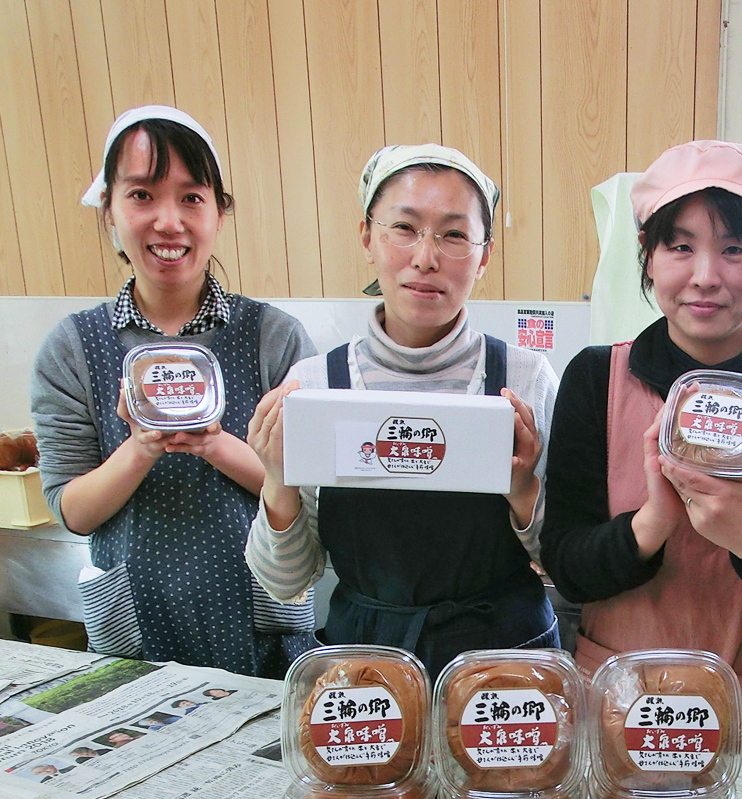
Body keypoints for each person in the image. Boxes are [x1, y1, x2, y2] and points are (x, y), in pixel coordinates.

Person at [542, 140, 742, 763]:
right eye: (680, 246)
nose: (705, 276)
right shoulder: (594, 379)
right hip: (620, 708)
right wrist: (650, 527)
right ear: (648, 254)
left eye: (736, 249)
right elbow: (567, 565)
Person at [246, 144, 559, 679]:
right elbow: (286, 580)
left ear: (484, 257)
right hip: (370, 664)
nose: (426, 257)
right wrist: (276, 480)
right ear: (367, 237)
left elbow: (565, 565)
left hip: (506, 663)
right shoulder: (318, 385)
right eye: (404, 228)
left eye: (454, 234)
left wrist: (524, 490)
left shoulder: (526, 379)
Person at [31, 106, 316, 677]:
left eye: (191, 197)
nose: (169, 221)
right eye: (141, 195)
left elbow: (311, 495)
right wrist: (140, 446)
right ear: (109, 209)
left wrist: (214, 444)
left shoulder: (273, 336)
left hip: (262, 619)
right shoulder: (72, 348)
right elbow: (72, 510)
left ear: (219, 211)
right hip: (133, 623)